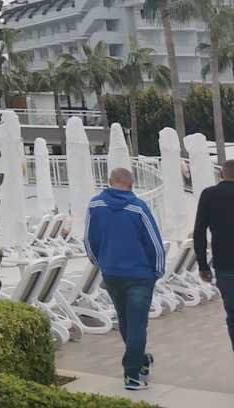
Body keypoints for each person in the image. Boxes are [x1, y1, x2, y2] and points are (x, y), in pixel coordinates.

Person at [85, 166, 164, 391]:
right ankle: (132, 374)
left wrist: (101, 263)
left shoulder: (95, 205)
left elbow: (89, 240)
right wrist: (158, 270)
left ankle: (140, 360)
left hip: (112, 273)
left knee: (125, 320)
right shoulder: (138, 207)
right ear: (131, 184)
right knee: (137, 324)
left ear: (109, 181)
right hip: (139, 274)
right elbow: (154, 242)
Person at [192, 158, 234, 352]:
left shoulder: (209, 195)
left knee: (232, 314)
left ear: (221, 174)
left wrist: (202, 265)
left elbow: (199, 232)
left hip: (225, 265)